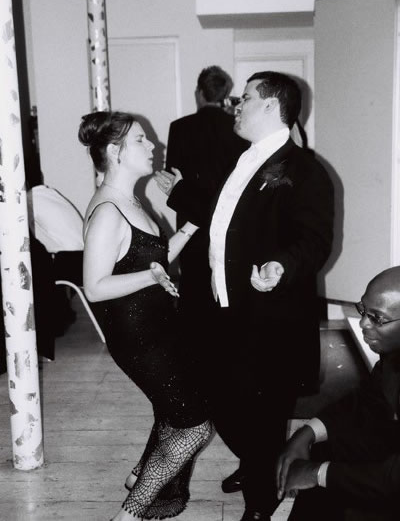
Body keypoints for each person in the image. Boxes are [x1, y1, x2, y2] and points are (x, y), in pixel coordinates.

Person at [204, 71, 334, 521]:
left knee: (260, 411)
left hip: (269, 316)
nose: (236, 105)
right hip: (226, 305)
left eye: (245, 98)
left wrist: (282, 264)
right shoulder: (239, 157)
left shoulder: (305, 169)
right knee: (221, 401)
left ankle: (261, 503)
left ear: (272, 106)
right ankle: (260, 461)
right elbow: (226, 220)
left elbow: (314, 239)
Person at [78, 111, 212, 521]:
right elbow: (95, 286)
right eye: (141, 140)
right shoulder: (108, 211)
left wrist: (191, 227)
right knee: (194, 426)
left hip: (156, 328)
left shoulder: (130, 200)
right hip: (138, 337)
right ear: (114, 151)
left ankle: (139, 476)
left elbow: (154, 258)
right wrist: (150, 276)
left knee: (172, 410)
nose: (153, 144)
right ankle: (130, 514)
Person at [277, 266, 400, 521]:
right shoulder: (393, 355)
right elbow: (368, 399)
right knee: (324, 448)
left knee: (329, 482)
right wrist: (307, 433)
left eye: (377, 318)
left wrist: (318, 473)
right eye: (363, 310)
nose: (363, 323)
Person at [156, 65, 248, 383]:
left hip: (192, 216)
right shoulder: (237, 127)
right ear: (225, 94)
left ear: (198, 92)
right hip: (229, 217)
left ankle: (194, 359)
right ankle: (226, 355)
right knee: (226, 281)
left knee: (194, 282)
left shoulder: (180, 127)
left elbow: (173, 177)